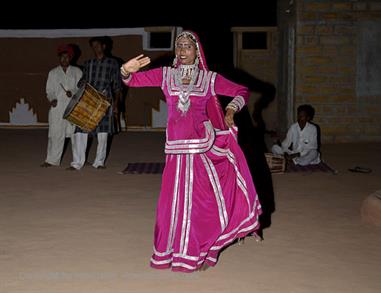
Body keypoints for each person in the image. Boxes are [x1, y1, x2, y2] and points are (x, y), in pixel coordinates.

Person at [121, 31, 262, 272]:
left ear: (197, 52)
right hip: (175, 150)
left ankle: (200, 251)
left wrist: (229, 110)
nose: (183, 51)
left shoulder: (209, 79)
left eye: (188, 46)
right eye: (179, 46)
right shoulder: (166, 75)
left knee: (200, 204)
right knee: (171, 204)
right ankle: (171, 253)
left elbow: (242, 91)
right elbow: (133, 81)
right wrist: (125, 70)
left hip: (200, 149)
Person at [69, 37, 122, 170]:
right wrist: (81, 84)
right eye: (93, 46)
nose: (95, 48)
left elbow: (117, 85)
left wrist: (116, 104)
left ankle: (99, 162)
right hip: (89, 100)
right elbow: (82, 81)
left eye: (97, 45)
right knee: (80, 131)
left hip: (105, 101)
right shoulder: (88, 63)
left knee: (103, 133)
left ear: (104, 46)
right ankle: (77, 163)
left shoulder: (113, 63)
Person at [41, 44, 82, 167]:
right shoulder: (53, 73)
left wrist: (73, 93)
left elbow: (81, 88)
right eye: (62, 57)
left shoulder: (77, 72)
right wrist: (52, 99)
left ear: (71, 58)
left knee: (76, 135)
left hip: (73, 107)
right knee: (56, 134)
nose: (64, 59)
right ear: (59, 58)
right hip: (57, 108)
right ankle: (52, 160)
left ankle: (78, 161)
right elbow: (49, 90)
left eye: (67, 57)